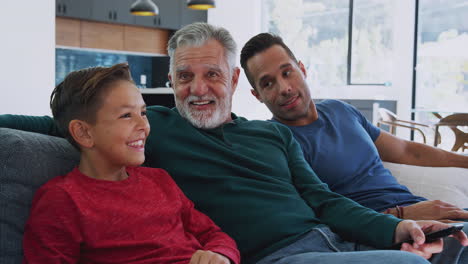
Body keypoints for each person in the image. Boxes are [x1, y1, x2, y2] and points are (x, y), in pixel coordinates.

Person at [1, 23, 467, 264]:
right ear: (170, 80)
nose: (198, 88)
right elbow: (55, 122)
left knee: (456, 245)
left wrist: (395, 229)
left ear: (234, 80)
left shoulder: (273, 134)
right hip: (282, 256)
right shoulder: (149, 129)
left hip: (339, 242)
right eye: (185, 76)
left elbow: (324, 201)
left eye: (211, 75)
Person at [21, 63, 240, 264]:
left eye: (143, 113)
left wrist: (219, 255)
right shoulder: (62, 200)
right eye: (126, 115)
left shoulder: (159, 180)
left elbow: (213, 234)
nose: (143, 125)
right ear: (83, 132)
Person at [240, 32, 468, 221]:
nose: (284, 88)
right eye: (268, 83)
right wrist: (400, 215)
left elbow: (409, 151)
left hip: (424, 212)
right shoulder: (274, 141)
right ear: (257, 95)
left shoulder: (341, 111)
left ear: (302, 69)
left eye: (287, 72)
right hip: (386, 230)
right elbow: (310, 215)